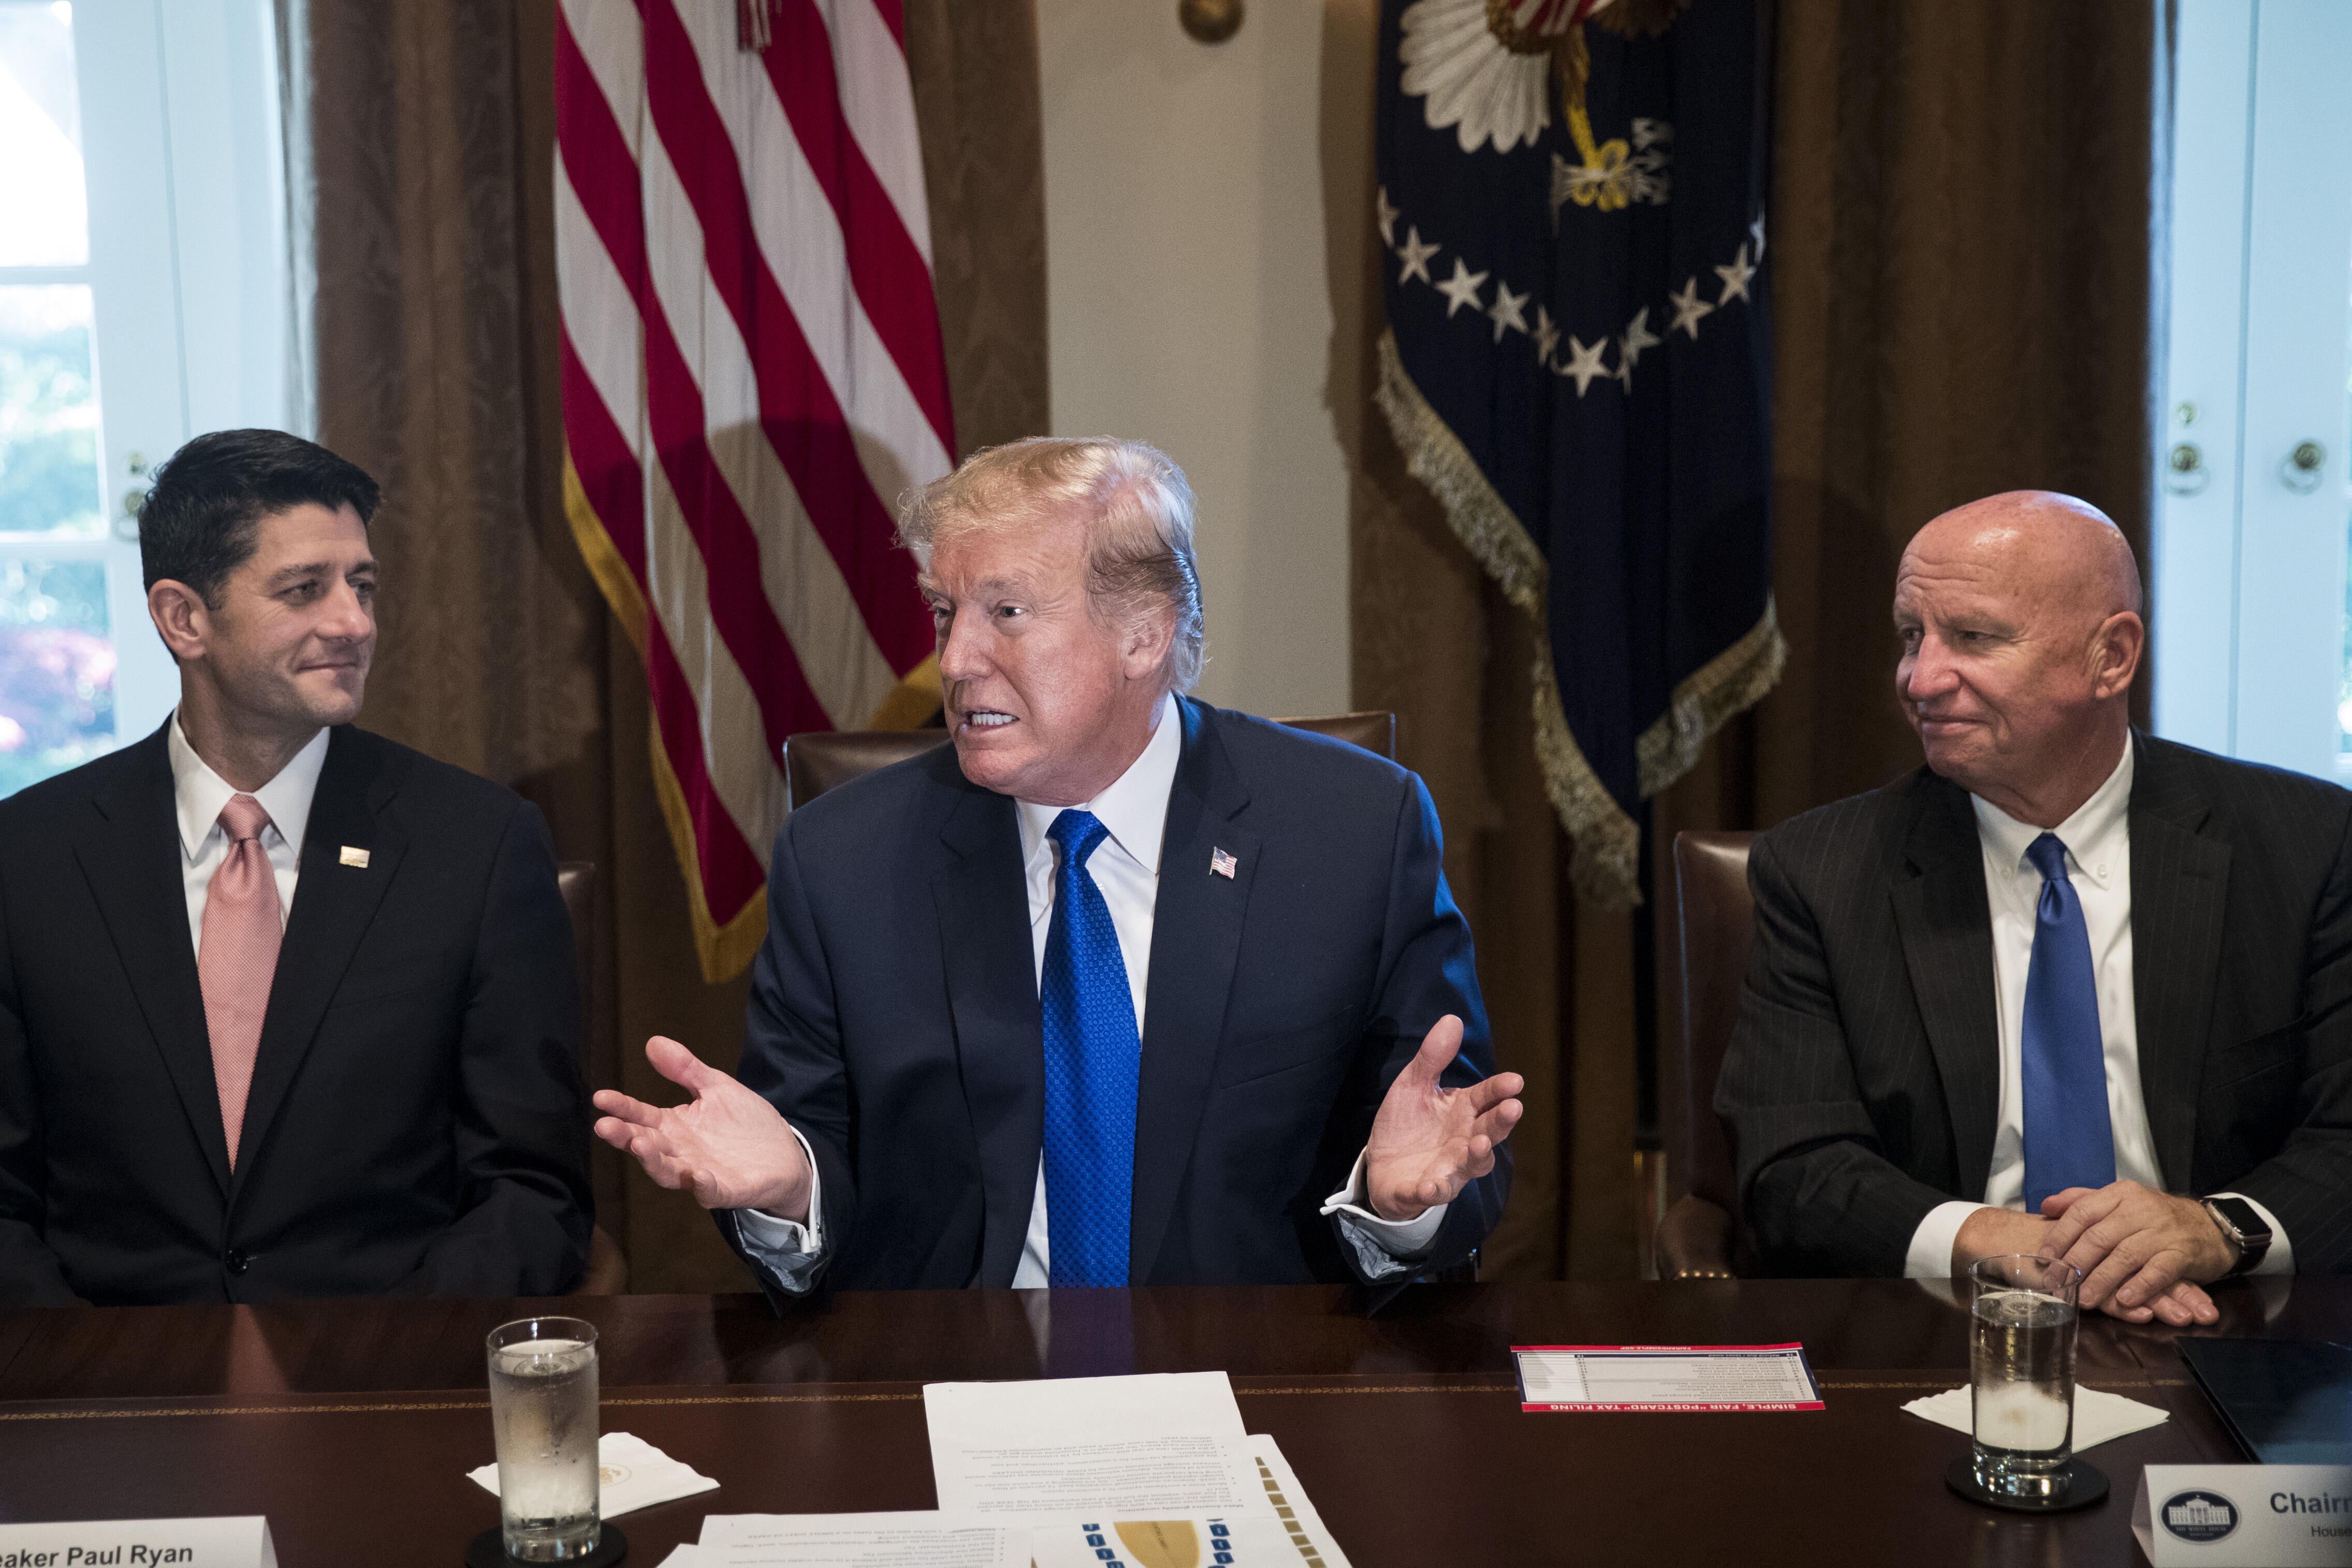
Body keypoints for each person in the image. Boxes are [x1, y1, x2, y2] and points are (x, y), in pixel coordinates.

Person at [594, 437, 1521, 1296]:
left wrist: (1402, 1205)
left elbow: (1445, 1144)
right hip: (952, 1380)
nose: (956, 660)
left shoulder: (1356, 830)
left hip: (1256, 1375)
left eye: (1006, 612)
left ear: (1143, 635)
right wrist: (789, 1190)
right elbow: (809, 1153)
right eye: (944, 611)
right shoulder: (843, 858)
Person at [1716, 490, 2352, 1326]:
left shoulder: (2308, 844)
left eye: (1974, 637)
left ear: (2111, 657)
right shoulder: (1822, 871)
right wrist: (2034, 1247)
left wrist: (2212, 1226)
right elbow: (1794, 1169)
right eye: (1913, 636)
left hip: (2227, 1321)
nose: (1921, 677)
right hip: (1944, 1325)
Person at [0, 429, 593, 1307]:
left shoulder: (477, 844)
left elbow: (532, 1193)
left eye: (362, 584)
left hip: (382, 1391)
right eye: (304, 589)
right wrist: (91, 1378)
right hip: (107, 1394)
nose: (354, 621)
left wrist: (376, 1368)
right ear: (182, 618)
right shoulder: (29, 858)